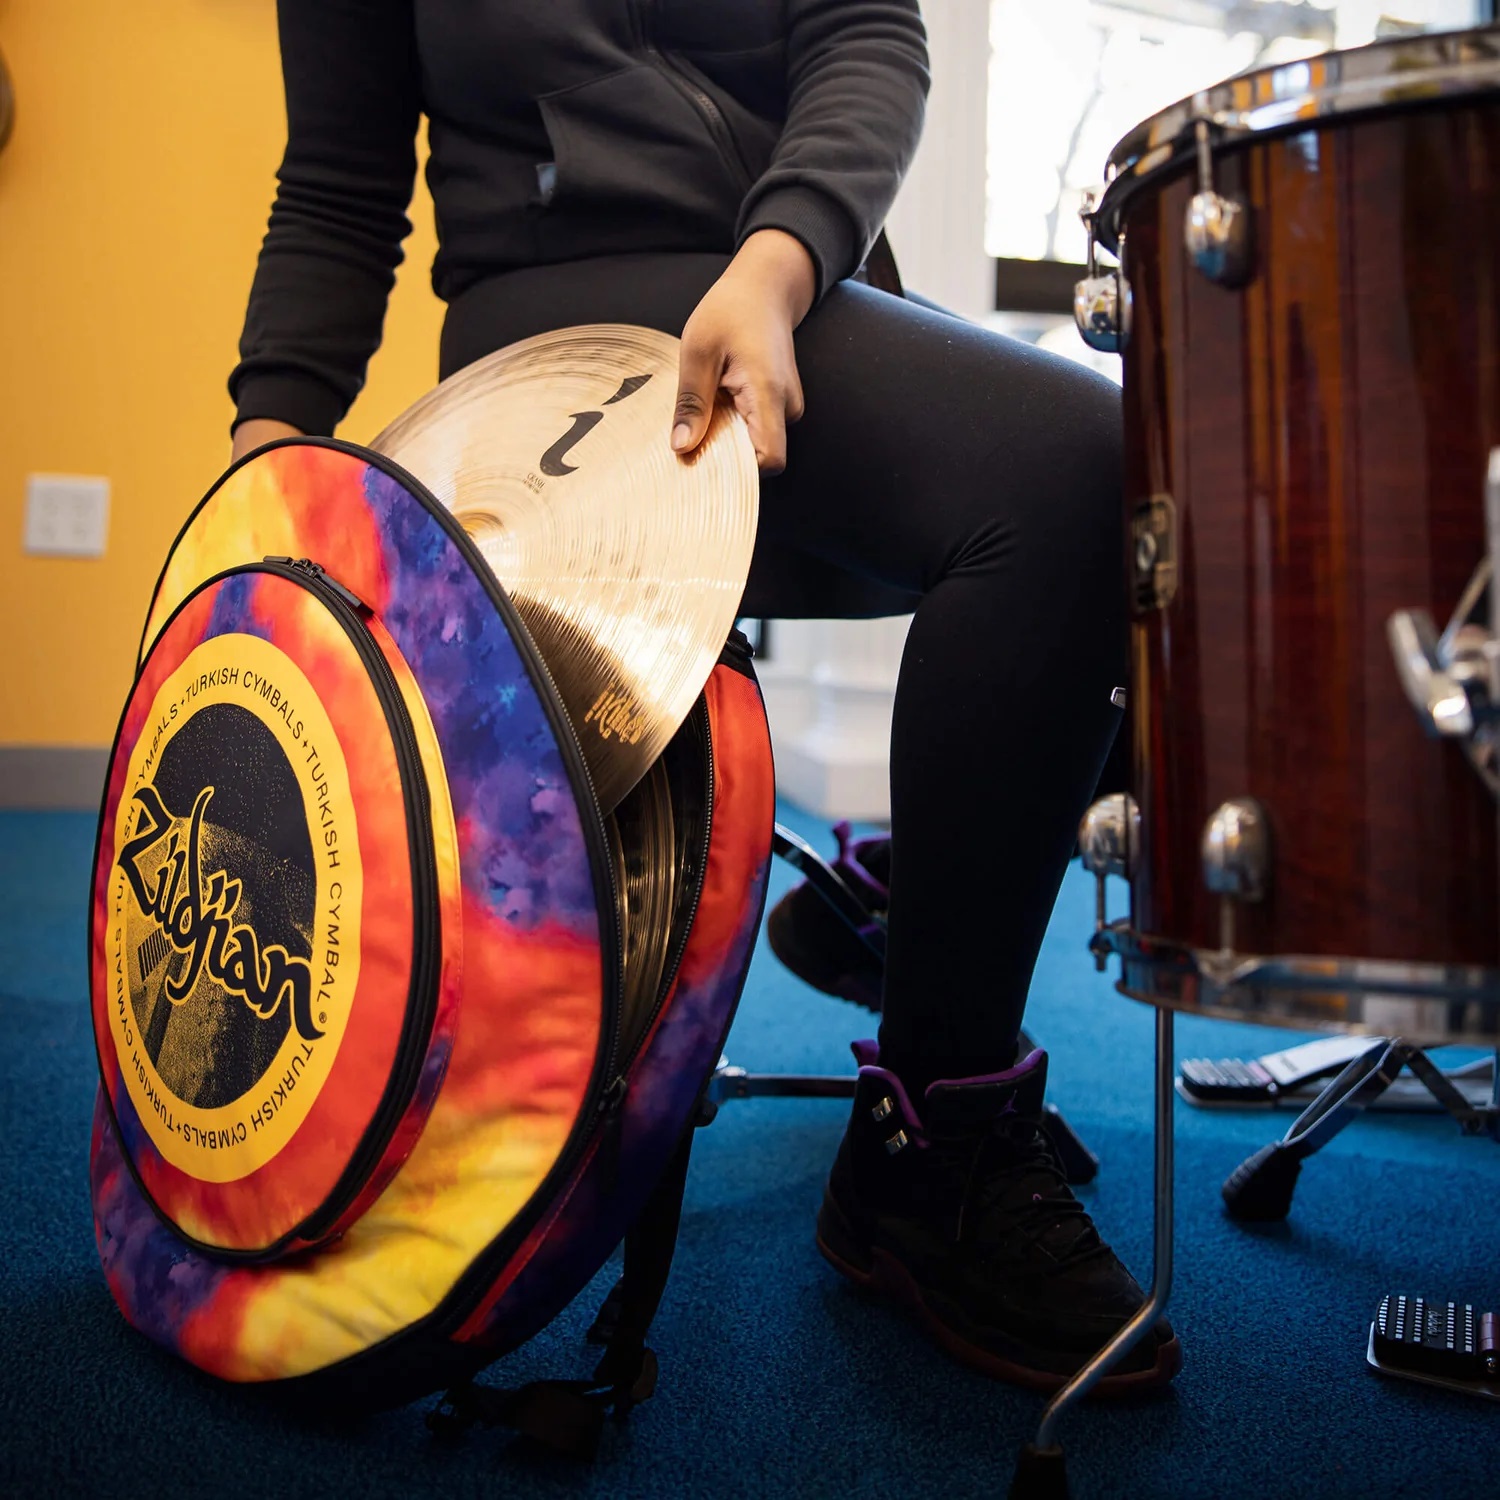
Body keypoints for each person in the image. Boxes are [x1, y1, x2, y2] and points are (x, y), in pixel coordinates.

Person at [228, 0, 1179, 1393]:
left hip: (782, 282)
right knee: (1074, 479)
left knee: (1120, 484)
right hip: (544, 320)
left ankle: (919, 974)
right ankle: (934, 1121)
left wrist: (779, 262)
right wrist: (266, 459)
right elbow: (338, 179)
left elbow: (869, 35)